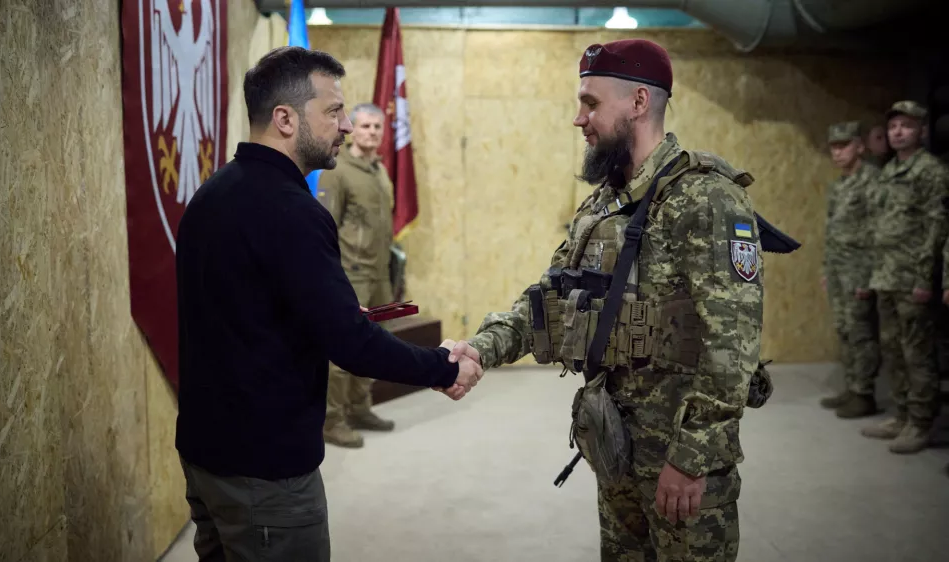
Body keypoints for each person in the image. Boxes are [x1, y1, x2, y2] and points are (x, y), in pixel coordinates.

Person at [174, 46, 482, 562]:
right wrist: (442, 366)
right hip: (265, 473)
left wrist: (324, 313)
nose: (343, 124)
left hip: (207, 456)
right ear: (285, 119)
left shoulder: (211, 195)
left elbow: (246, 309)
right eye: (333, 112)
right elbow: (352, 346)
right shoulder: (294, 211)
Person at [463, 39, 763, 561]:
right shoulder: (603, 202)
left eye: (591, 103)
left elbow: (732, 347)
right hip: (613, 443)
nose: (579, 119)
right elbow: (551, 297)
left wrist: (692, 459)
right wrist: (480, 349)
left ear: (639, 103)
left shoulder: (706, 198)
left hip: (678, 456)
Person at [861, 100, 949, 454]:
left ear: (923, 132)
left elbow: (936, 227)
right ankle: (900, 414)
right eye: (894, 126)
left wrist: (926, 279)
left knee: (918, 353)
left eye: (907, 126)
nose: (898, 132)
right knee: (893, 349)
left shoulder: (932, 171)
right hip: (886, 274)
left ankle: (920, 422)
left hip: (912, 277)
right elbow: (881, 227)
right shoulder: (889, 170)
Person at [316, 103, 398, 448]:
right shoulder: (337, 170)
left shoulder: (379, 170)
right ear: (354, 130)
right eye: (365, 126)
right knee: (341, 351)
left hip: (379, 275)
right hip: (351, 275)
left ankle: (360, 408)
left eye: (377, 127)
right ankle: (332, 420)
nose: (371, 133)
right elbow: (323, 226)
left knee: (373, 345)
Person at [818, 121, 882, 418]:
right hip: (839, 271)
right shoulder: (839, 186)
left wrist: (869, 275)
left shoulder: (873, 182)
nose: (838, 152)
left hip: (859, 271)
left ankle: (864, 393)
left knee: (861, 333)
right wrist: (826, 269)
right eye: (834, 146)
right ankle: (853, 386)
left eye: (844, 145)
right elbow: (833, 232)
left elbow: (877, 232)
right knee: (845, 330)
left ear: (860, 146)